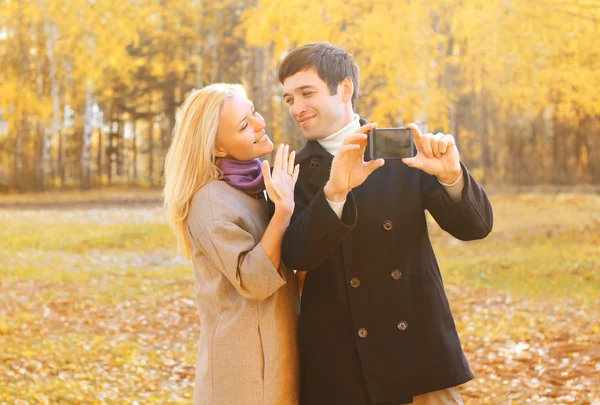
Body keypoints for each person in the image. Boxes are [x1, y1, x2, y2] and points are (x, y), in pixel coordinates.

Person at [277, 42, 494, 405]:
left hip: (417, 354)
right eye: (288, 99)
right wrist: (334, 193)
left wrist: (451, 177)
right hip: (340, 364)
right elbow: (297, 255)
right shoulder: (292, 171)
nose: (296, 108)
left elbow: (476, 227)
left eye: (306, 93)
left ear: (344, 89)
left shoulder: (403, 152)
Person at [163, 83, 300, 405]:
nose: (259, 123)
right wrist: (283, 212)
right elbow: (254, 281)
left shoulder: (255, 186)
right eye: (243, 124)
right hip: (247, 368)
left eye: (253, 111)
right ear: (219, 149)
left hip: (279, 349)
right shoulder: (211, 202)